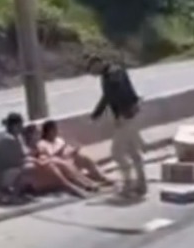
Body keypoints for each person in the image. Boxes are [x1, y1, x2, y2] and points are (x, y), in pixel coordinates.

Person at [88, 55, 146, 198]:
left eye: (93, 69)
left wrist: (120, 115)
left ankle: (128, 183)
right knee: (132, 150)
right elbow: (107, 96)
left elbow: (118, 93)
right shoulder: (106, 75)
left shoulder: (114, 72)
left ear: (99, 63)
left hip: (127, 115)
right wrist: (97, 114)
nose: (93, 74)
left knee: (117, 152)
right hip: (128, 115)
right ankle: (141, 183)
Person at [19, 123, 95, 198]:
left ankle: (85, 183)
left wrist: (46, 159)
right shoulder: (27, 148)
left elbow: (46, 156)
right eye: (37, 133)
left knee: (61, 164)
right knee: (56, 165)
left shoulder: (38, 146)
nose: (39, 135)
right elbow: (26, 159)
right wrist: (39, 160)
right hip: (38, 173)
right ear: (30, 135)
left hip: (47, 167)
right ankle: (77, 188)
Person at [39, 119, 112, 186]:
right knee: (69, 164)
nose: (56, 131)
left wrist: (73, 150)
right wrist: (62, 150)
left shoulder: (58, 140)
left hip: (70, 157)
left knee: (84, 158)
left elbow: (67, 148)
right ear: (48, 131)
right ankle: (89, 183)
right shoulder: (43, 143)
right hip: (61, 163)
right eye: (54, 130)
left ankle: (101, 177)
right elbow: (51, 157)